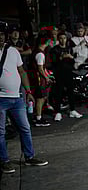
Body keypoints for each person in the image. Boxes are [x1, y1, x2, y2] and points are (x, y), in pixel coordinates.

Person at [0, 21, 48, 174]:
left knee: (25, 128)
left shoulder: (13, 51)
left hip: (17, 98)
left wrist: (28, 92)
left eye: (2, 34)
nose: (1, 37)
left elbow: (21, 72)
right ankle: (4, 161)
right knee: (0, 132)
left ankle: (29, 157)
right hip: (0, 99)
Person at [49, 32, 83, 121]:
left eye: (64, 38)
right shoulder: (55, 49)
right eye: (61, 38)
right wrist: (61, 58)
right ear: (58, 39)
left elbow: (73, 62)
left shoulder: (69, 49)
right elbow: (53, 62)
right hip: (59, 73)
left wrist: (71, 57)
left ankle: (72, 110)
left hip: (69, 73)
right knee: (58, 93)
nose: (63, 40)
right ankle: (58, 112)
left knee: (70, 92)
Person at [29, 30, 54, 127]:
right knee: (40, 98)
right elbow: (40, 69)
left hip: (39, 78)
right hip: (39, 79)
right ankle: (38, 118)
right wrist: (46, 78)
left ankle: (38, 116)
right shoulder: (40, 54)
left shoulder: (37, 51)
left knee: (42, 97)